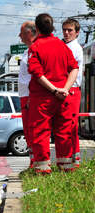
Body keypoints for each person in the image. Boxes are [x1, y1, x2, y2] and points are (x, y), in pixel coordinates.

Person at [27, 13, 79, 174]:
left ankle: (43, 169)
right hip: (64, 98)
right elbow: (74, 68)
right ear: (53, 27)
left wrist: (54, 90)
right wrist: (65, 88)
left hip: (43, 99)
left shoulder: (35, 47)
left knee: (41, 132)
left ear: (36, 28)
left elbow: (37, 73)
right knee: (64, 132)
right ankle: (67, 168)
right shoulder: (62, 45)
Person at [62, 18, 83, 168]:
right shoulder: (66, 46)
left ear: (77, 33)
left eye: (70, 30)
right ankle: (71, 160)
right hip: (68, 90)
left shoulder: (74, 48)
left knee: (69, 126)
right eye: (64, 30)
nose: (66, 33)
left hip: (71, 90)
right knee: (67, 126)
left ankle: (73, 161)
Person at [18, 21, 37, 168]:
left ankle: (36, 162)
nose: (19, 36)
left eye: (22, 33)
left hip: (30, 96)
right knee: (28, 131)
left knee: (33, 130)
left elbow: (35, 76)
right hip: (25, 96)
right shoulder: (27, 51)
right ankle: (33, 161)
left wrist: (31, 97)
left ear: (29, 33)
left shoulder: (35, 49)